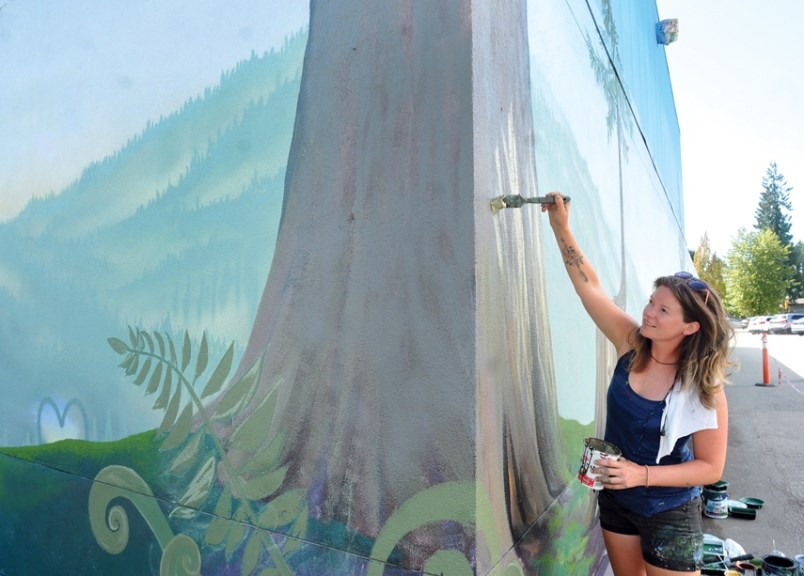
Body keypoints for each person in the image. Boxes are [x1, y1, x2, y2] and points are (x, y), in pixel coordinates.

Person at [541, 192, 734, 575]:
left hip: (670, 510)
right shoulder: (632, 344)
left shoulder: (702, 386)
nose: (649, 312)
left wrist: (640, 474)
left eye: (663, 310)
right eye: (651, 301)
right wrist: (560, 228)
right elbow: (589, 286)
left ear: (690, 327)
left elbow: (711, 467)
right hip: (617, 501)